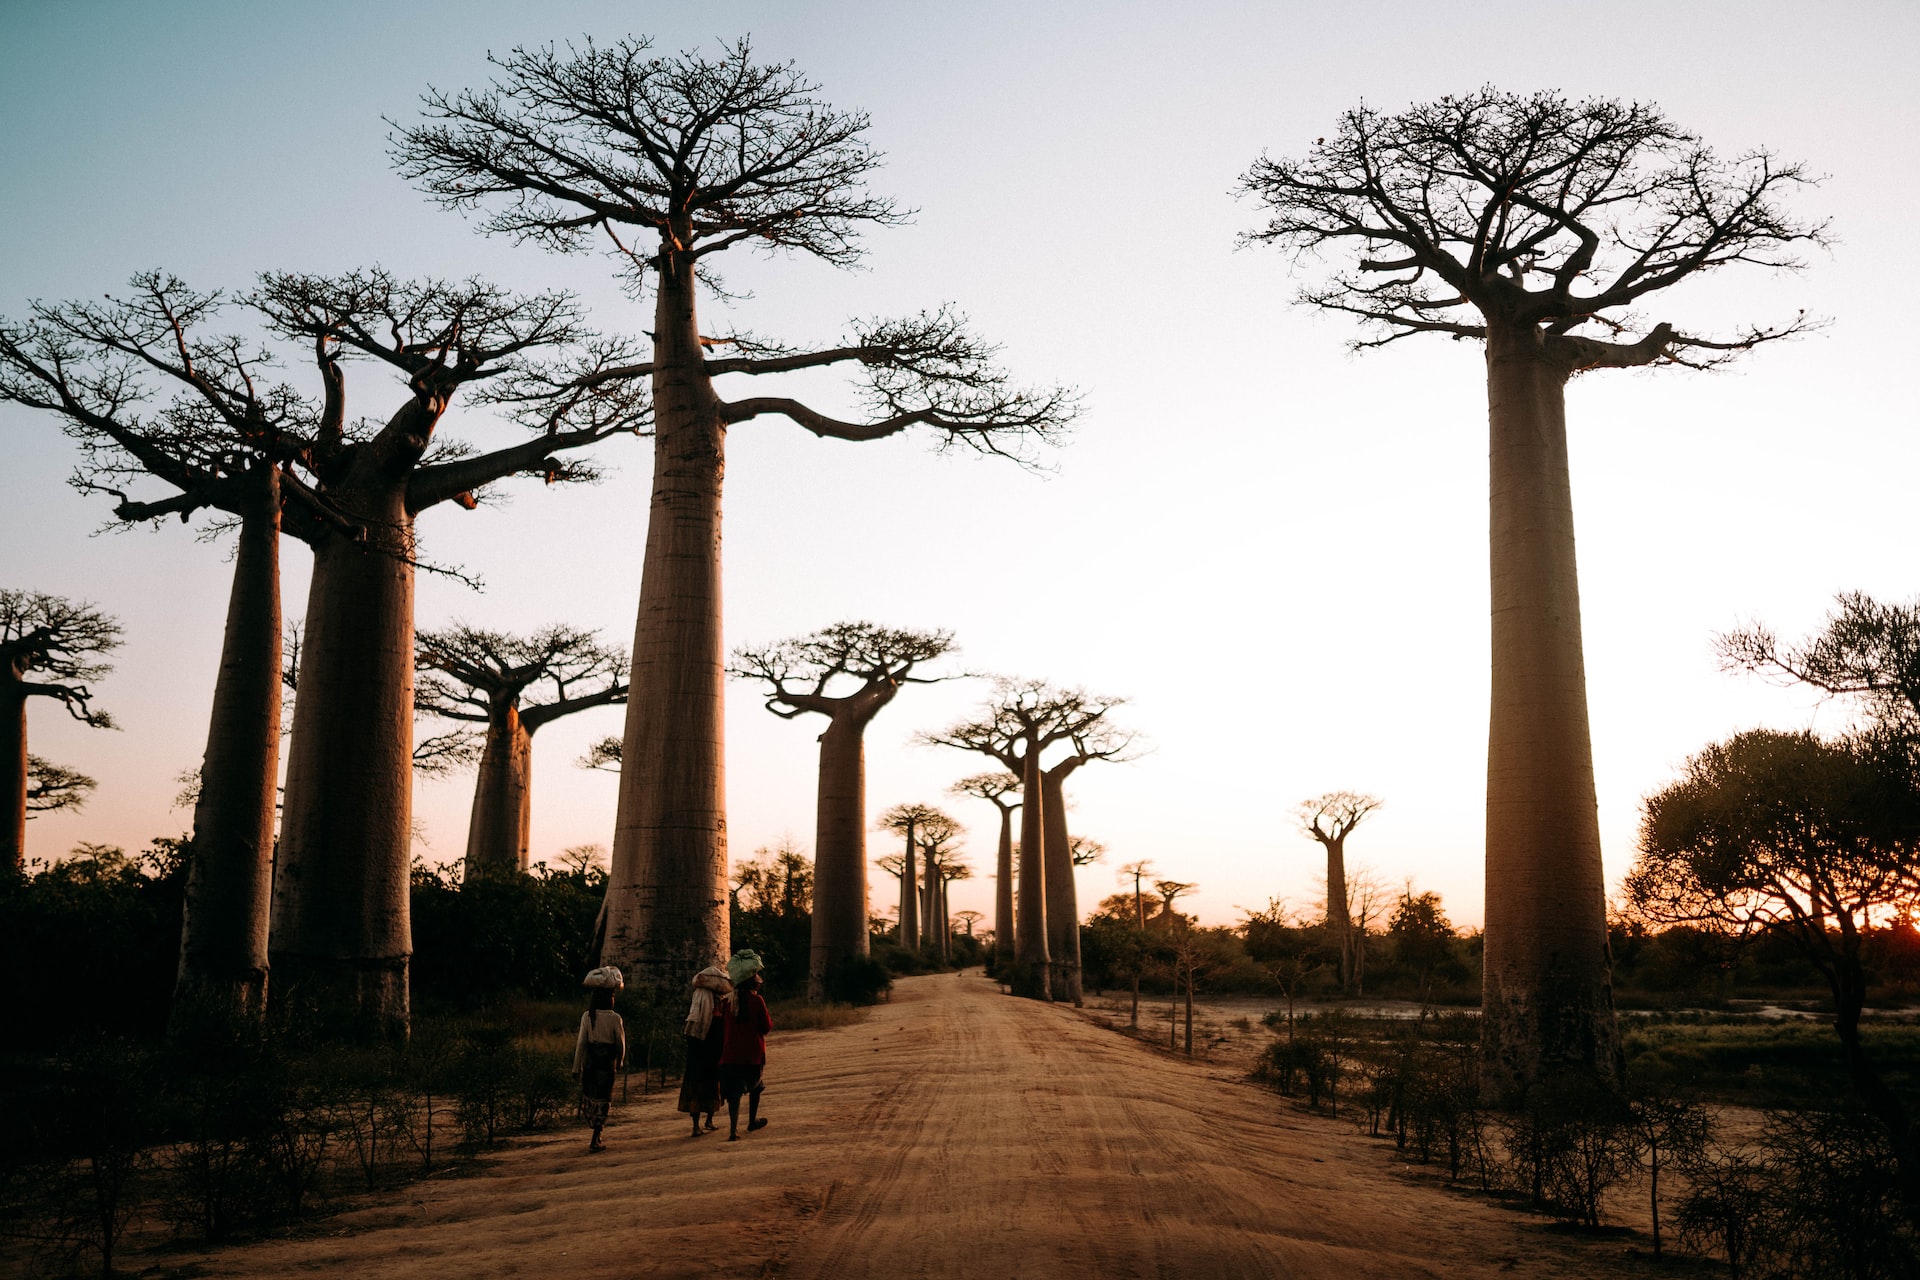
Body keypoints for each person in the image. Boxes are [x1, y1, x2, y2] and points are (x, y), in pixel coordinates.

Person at [718, 961, 772, 1141]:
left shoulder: (726, 1002)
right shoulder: (757, 1001)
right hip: (753, 1055)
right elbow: (766, 1027)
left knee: (734, 1093)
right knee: (756, 1085)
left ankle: (733, 1130)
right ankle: (752, 1121)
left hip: (730, 1055)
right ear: (751, 983)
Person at [677, 964, 731, 1137]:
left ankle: (704, 1122)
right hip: (706, 1046)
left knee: (705, 1084)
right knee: (706, 1084)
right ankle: (701, 1123)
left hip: (702, 1046)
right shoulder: (710, 998)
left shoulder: (704, 996)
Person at [572, 984, 627, 1153]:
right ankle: (596, 1135)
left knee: (591, 1096)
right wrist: (620, 1060)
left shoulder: (587, 1016)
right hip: (606, 1064)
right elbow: (620, 1043)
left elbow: (581, 1043)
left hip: (590, 1064)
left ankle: (595, 1134)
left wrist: (576, 1068)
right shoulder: (615, 1018)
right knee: (604, 1099)